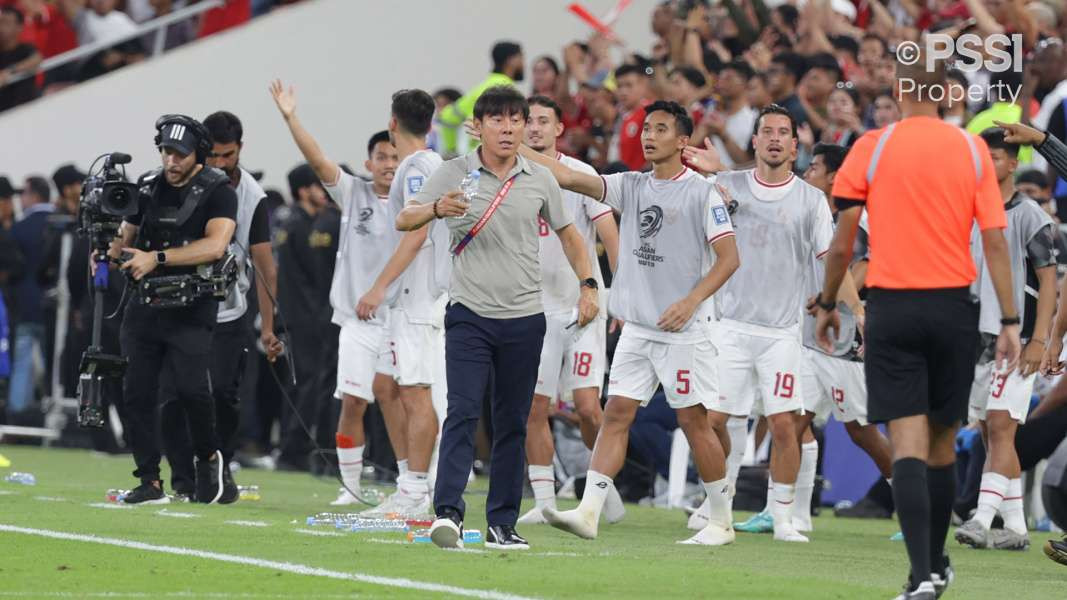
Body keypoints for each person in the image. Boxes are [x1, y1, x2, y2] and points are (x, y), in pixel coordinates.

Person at [815, 56, 1021, 600]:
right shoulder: (972, 148)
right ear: (948, 97)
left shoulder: (871, 147)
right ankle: (935, 563)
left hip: (892, 307)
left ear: (899, 95)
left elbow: (843, 241)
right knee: (942, 447)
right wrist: (1009, 319)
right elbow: (995, 241)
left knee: (905, 444)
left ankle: (922, 574)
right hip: (954, 309)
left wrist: (827, 301)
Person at [521, 100, 740, 546]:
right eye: (646, 128)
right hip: (638, 328)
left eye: (661, 129)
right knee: (616, 414)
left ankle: (721, 519)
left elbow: (730, 258)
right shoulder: (631, 185)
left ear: (683, 141)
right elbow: (566, 176)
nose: (649, 135)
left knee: (695, 422)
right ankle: (589, 511)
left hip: (682, 330)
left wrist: (691, 300)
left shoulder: (702, 192)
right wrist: (507, 146)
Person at [396, 86, 598, 551]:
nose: (508, 129)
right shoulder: (453, 171)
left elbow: (570, 235)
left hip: (526, 317)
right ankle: (446, 514)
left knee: (512, 421)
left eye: (515, 120)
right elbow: (405, 219)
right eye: (498, 120)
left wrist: (588, 284)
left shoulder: (540, 178)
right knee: (463, 413)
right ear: (480, 126)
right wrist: (435, 208)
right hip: (468, 313)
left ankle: (502, 524)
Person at [688, 105, 841, 544]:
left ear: (795, 146)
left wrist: (829, 299)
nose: (774, 138)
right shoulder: (725, 186)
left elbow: (827, 258)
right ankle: (720, 506)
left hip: (782, 332)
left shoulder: (811, 200)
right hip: (729, 326)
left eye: (783, 133)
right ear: (754, 142)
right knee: (712, 421)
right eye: (766, 132)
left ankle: (783, 517)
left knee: (784, 425)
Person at [109, 114, 237, 504]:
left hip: (192, 305)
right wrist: (109, 244)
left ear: (197, 153)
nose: (171, 161)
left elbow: (216, 246)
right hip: (145, 304)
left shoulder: (219, 190)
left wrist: (157, 258)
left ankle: (207, 458)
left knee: (192, 390)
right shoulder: (146, 188)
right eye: (166, 151)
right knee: (136, 393)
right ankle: (149, 479)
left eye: (179, 153)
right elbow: (125, 239)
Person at [156, 110, 281, 502]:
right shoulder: (170, 184)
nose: (220, 164)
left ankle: (220, 465)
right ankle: (182, 478)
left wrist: (268, 326)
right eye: (214, 156)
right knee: (175, 394)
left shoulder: (253, 198)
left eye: (228, 156)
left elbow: (264, 267)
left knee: (223, 395)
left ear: (240, 150)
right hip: (177, 307)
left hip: (228, 310)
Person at [516, 95, 623, 526]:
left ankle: (602, 491)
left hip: (583, 304)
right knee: (534, 408)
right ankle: (544, 503)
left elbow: (609, 234)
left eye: (544, 121)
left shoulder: (580, 173)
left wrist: (620, 295)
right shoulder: (511, 174)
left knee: (588, 408)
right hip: (531, 308)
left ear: (560, 128)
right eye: (529, 122)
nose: (535, 128)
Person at [952, 128, 1057, 552]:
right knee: (995, 433)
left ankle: (980, 518)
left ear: (1013, 163)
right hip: (974, 336)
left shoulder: (1030, 214)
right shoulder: (968, 209)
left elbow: (1050, 282)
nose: (985, 165)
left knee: (999, 425)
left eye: (994, 157)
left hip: (1018, 336)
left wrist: (1040, 341)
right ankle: (1015, 527)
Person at [352, 89, 449, 516]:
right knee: (389, 387)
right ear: (429, 123)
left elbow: (417, 232)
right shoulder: (429, 164)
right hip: (415, 296)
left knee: (415, 391)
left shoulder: (416, 168)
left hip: (419, 297)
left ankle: (416, 491)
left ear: (393, 123)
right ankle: (411, 482)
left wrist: (379, 286)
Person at [272, 162, 329, 471]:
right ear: (306, 190)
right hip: (306, 315)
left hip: (290, 314)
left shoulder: (286, 222)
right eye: (319, 186)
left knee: (297, 383)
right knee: (308, 383)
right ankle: (295, 450)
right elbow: (316, 274)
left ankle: (289, 447)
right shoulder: (305, 226)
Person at [7, 175, 52, 423]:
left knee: (22, 364)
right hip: (54, 307)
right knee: (54, 366)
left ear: (33, 194)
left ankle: (17, 417)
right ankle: (54, 415)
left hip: (24, 306)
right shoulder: (62, 225)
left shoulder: (19, 228)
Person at [437, 41, 524, 155]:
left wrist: (451, 150)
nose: (523, 63)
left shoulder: (483, 85)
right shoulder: (506, 89)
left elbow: (447, 116)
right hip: (489, 159)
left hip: (472, 159)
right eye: (521, 58)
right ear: (512, 60)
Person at [610, 64, 653, 171]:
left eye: (629, 85)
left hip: (639, 181)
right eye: (619, 86)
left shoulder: (651, 114)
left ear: (642, 85)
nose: (623, 91)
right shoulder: (620, 115)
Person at [0, 6, 41, 112]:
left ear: (19, 27)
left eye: (6, 23)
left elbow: (36, 60)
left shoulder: (26, 49)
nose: (1, 27)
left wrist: (10, 71)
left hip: (28, 110)